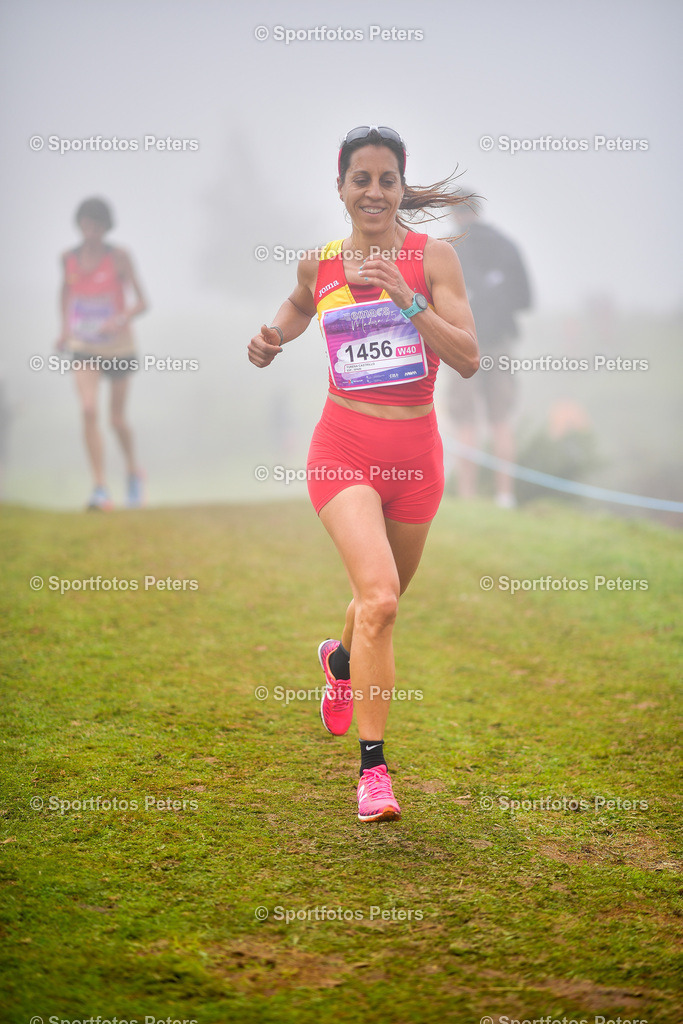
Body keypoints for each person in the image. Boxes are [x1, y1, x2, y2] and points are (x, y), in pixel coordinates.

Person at [248, 126, 479, 823]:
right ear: (341, 187)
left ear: (401, 187)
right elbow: (298, 305)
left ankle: (341, 664)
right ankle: (373, 773)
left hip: (416, 461)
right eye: (361, 179)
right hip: (342, 449)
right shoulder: (319, 263)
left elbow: (467, 357)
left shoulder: (432, 259)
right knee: (379, 600)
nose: (374, 192)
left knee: (379, 600)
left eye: (386, 180)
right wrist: (273, 335)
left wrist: (406, 298)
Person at [56, 197, 148, 510]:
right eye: (86, 225)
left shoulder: (119, 257)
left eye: (97, 226)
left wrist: (119, 319)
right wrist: (64, 331)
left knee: (116, 419)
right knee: (88, 410)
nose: (91, 232)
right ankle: (100, 487)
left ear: (106, 227)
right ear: (79, 225)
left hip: (119, 346)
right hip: (84, 346)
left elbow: (142, 301)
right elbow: (65, 294)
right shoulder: (68, 258)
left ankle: (133, 473)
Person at [446, 198, 532, 507]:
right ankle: (504, 497)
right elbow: (525, 300)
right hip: (500, 343)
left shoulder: (449, 249)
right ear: (477, 211)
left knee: (465, 420)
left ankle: (467, 496)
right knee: (501, 420)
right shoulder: (507, 246)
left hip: (461, 342)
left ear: (455, 214)